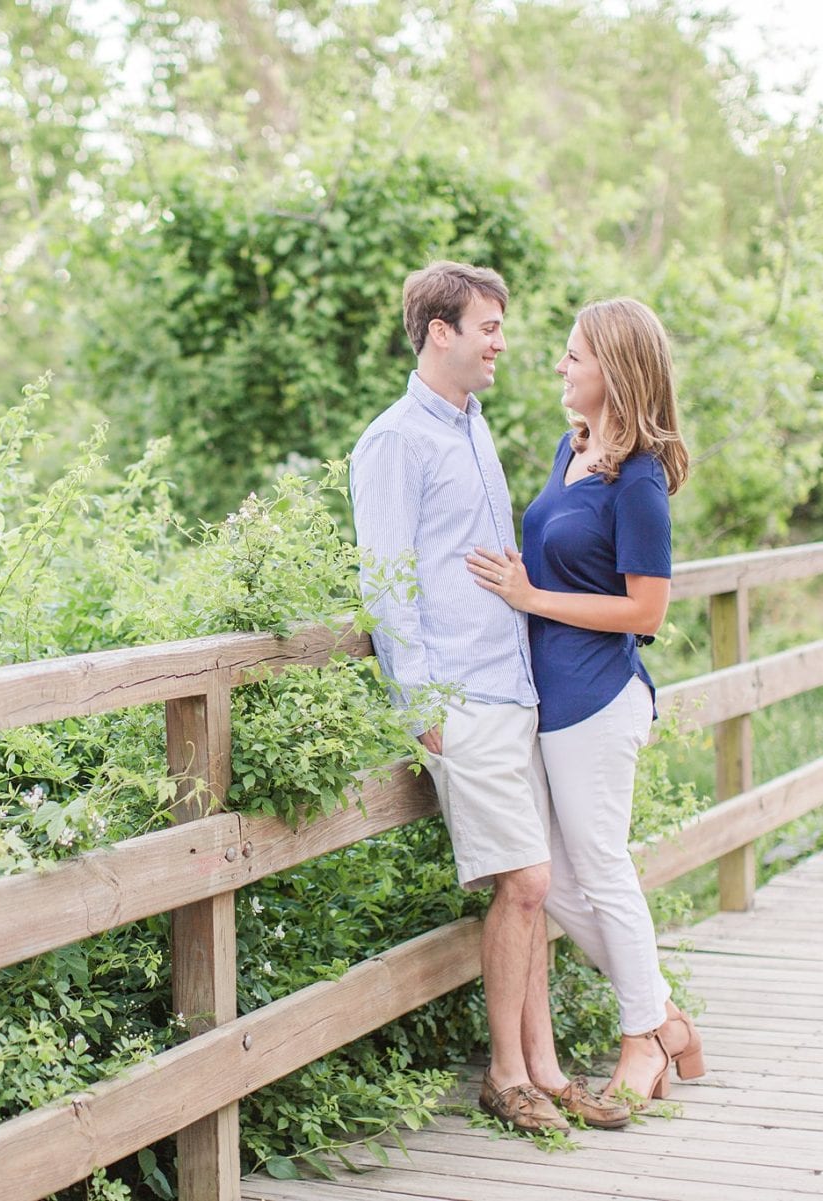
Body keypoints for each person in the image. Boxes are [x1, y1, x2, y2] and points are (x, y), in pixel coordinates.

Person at [351, 262, 630, 1134]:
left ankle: (544, 1069)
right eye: (488, 327)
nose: (502, 342)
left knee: (532, 891)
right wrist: (419, 704)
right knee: (526, 880)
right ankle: (504, 1074)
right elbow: (386, 585)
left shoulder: (473, 428)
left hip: (514, 689)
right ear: (440, 331)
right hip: (460, 698)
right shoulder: (396, 440)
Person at [466, 297, 706, 1107]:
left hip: (600, 697)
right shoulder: (573, 456)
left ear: (616, 370)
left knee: (599, 869)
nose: (561, 367)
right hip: (546, 697)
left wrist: (532, 596)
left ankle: (644, 1042)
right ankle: (666, 1013)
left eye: (574, 356)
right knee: (561, 888)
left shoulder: (639, 481)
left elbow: (647, 612)